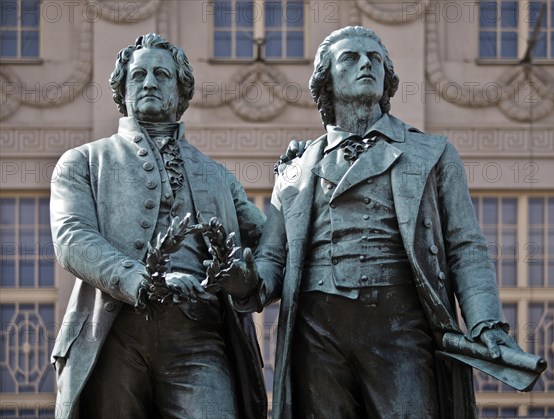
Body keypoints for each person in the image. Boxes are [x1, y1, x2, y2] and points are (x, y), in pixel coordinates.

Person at [218, 26, 521, 419]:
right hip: (317, 330)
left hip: (398, 326)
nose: (366, 64)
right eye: (352, 58)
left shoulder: (431, 152)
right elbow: (273, 258)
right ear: (326, 80)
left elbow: (466, 246)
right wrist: (246, 281)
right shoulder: (294, 168)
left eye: (375, 59)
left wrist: (485, 322)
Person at [50, 34, 267, 419]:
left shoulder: (217, 176)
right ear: (123, 89)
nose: (149, 82)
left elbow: (271, 245)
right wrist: (138, 278)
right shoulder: (82, 161)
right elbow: (72, 237)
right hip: (116, 333)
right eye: (138, 75)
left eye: (162, 74)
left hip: (200, 338)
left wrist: (246, 278)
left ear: (181, 91)